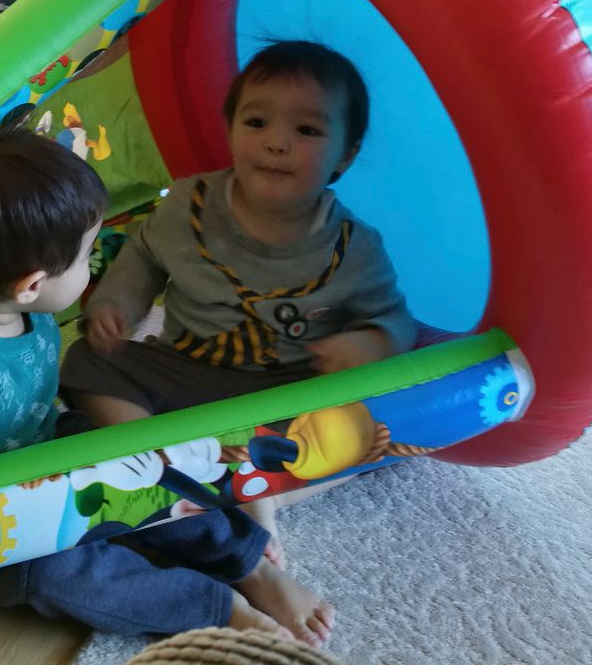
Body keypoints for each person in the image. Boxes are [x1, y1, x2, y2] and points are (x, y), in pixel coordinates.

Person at [0, 126, 334, 646]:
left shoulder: (29, 310)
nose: (92, 264)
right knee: (63, 575)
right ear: (32, 284)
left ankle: (249, 564)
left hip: (53, 447)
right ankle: (218, 607)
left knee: (151, 466)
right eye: (85, 256)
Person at [61, 41, 417, 554]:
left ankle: (255, 496)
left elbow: (397, 322)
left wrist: (370, 343)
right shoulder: (188, 204)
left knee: (370, 426)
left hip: (284, 393)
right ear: (230, 129)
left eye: (306, 130)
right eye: (256, 123)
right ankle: (152, 457)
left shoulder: (355, 249)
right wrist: (118, 306)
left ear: (346, 153)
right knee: (86, 361)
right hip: (184, 371)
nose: (276, 142)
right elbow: (144, 257)